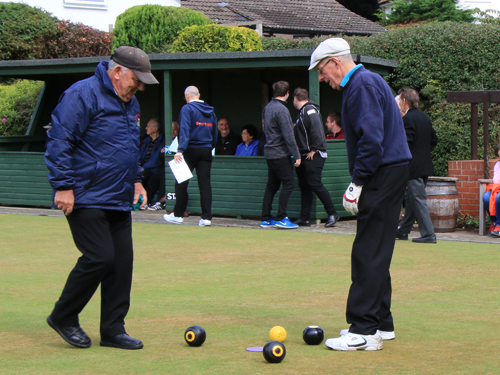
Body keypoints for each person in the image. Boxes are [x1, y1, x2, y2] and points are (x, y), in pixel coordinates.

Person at [44, 46, 159, 350]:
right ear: (117, 71)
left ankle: (112, 330)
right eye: (137, 78)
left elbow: (129, 146)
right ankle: (64, 316)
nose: (141, 86)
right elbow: (59, 140)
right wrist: (63, 186)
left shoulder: (130, 102)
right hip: (85, 194)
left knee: (122, 264)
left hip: (119, 196)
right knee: (99, 257)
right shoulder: (81, 94)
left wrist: (136, 181)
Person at [309, 37, 411, 351]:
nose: (323, 78)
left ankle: (364, 330)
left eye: (323, 71)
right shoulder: (369, 81)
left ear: (335, 62)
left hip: (382, 173)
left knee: (367, 248)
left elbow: (371, 140)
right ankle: (381, 323)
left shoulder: (361, 86)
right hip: (391, 170)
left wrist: (357, 183)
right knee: (377, 246)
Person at [164, 86, 217, 227]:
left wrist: (180, 150)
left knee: (181, 181)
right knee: (205, 184)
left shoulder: (187, 109)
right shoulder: (210, 110)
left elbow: (185, 129)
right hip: (206, 149)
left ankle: (178, 215)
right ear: (198, 95)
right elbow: (215, 133)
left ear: (187, 96)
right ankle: (206, 218)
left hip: (190, 149)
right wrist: (210, 146)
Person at [396, 88, 438, 244]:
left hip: (413, 167)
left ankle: (428, 234)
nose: (399, 102)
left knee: (418, 199)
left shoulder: (407, 119)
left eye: (400, 100)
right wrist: (423, 153)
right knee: (412, 198)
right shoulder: (424, 117)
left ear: (405, 101)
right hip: (424, 165)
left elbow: (405, 143)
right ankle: (403, 231)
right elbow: (434, 140)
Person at [292, 88, 339, 228]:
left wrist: (315, 149)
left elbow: (317, 130)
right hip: (304, 154)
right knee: (305, 185)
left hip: (313, 154)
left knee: (315, 183)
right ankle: (304, 217)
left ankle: (332, 213)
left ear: (295, 99)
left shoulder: (309, 110)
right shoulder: (303, 112)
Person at [260, 81, 301, 229]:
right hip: (280, 153)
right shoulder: (282, 110)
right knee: (289, 183)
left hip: (270, 152)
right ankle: (281, 217)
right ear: (287, 94)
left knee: (272, 185)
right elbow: (288, 135)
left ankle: (266, 217)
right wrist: (297, 155)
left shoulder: (268, 108)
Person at [139, 118, 165, 210]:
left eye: (148, 126)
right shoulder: (146, 141)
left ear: (155, 128)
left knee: (146, 175)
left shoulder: (162, 141)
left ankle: (146, 201)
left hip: (155, 168)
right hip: (144, 168)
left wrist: (143, 168)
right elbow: (140, 156)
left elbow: (156, 160)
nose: (146, 128)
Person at [483, 144, 500, 236]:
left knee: (498, 197)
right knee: (486, 197)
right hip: (497, 187)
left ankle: (499, 225)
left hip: (498, 190)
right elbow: (496, 180)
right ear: (498, 157)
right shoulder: (497, 165)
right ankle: (493, 223)